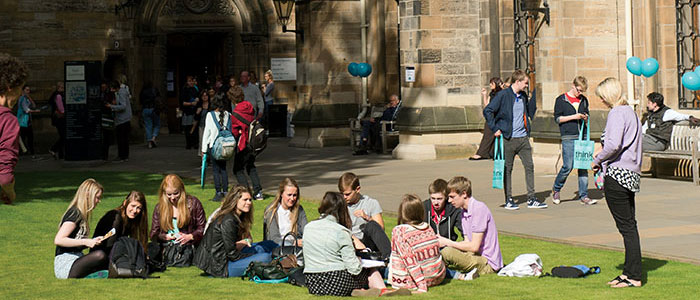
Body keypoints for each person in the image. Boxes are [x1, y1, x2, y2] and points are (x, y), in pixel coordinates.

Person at [592, 77, 643, 288]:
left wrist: (597, 159)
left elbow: (613, 145)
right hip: (630, 174)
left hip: (618, 174)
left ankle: (634, 276)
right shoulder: (630, 112)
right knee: (629, 226)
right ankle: (629, 272)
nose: (601, 101)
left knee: (627, 227)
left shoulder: (616, 113)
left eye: (602, 97)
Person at [303, 192, 396, 296]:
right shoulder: (341, 231)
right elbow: (354, 269)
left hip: (312, 283)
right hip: (336, 282)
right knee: (370, 269)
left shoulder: (308, 228)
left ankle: (360, 290)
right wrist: (360, 261)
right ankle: (382, 290)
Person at [483, 70, 544, 210]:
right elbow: (488, 111)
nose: (527, 86)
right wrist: (495, 128)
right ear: (518, 81)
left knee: (529, 167)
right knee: (507, 169)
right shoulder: (503, 95)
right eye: (525, 83)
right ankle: (509, 199)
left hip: (523, 138)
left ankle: (531, 198)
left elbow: (528, 111)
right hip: (508, 139)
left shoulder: (523, 96)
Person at [195, 185, 274, 277]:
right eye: (245, 200)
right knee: (265, 257)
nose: (249, 203)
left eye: (250, 200)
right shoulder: (228, 220)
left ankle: (286, 255)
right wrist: (252, 255)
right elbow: (233, 255)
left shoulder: (236, 217)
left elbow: (232, 246)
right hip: (220, 266)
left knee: (267, 244)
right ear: (235, 200)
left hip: (226, 258)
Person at [438, 176, 504, 280]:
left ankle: (444, 272)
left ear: (464, 194)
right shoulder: (464, 212)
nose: (449, 200)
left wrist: (447, 242)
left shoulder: (479, 209)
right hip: (475, 256)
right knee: (441, 251)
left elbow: (474, 247)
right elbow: (467, 242)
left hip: (488, 263)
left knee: (447, 252)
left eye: (452, 196)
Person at [552, 76, 595, 205]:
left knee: (583, 166)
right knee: (568, 166)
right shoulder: (561, 100)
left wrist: (585, 118)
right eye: (578, 90)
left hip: (582, 135)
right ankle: (556, 188)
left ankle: (584, 195)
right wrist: (574, 116)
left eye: (582, 91)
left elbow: (587, 115)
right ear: (573, 85)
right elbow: (558, 119)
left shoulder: (584, 100)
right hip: (568, 136)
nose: (580, 93)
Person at [389, 194, 445, 293]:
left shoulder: (399, 231)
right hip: (437, 277)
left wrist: (422, 286)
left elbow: (410, 260)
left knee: (377, 270)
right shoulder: (428, 227)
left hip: (412, 281)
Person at [53, 179, 105, 278]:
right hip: (66, 262)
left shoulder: (82, 215)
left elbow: (76, 242)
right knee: (100, 255)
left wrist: (92, 241)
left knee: (102, 256)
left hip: (77, 257)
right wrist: (86, 242)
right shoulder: (75, 213)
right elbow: (59, 240)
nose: (99, 201)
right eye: (97, 198)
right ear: (88, 195)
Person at [150, 174, 206, 260]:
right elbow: (153, 234)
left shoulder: (194, 204)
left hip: (189, 248)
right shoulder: (159, 208)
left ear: (182, 190)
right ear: (164, 193)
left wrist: (190, 236)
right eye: (169, 194)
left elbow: (203, 228)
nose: (172, 198)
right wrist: (164, 237)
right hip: (167, 249)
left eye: (176, 193)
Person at [338, 172, 391, 259]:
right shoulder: (339, 205)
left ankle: (389, 258)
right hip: (350, 242)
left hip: (367, 242)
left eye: (347, 194)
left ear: (357, 189)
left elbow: (380, 229)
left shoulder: (371, 203)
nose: (344, 197)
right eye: (341, 194)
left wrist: (367, 218)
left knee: (372, 225)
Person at [91, 191, 149, 269]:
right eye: (133, 206)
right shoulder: (116, 218)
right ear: (125, 203)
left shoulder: (131, 219)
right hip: (101, 255)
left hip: (114, 252)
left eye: (138, 208)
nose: (135, 210)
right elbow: (110, 245)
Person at [0, 53, 27, 205]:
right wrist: (10, 192)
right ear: (10, 87)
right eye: (20, 88)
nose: (20, 94)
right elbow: (5, 177)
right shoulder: (7, 120)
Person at [231, 98, 263, 200]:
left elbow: (235, 131)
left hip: (244, 144)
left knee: (238, 169)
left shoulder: (236, 113)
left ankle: (246, 192)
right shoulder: (249, 108)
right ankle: (258, 192)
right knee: (251, 166)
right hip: (254, 143)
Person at [201, 93, 231, 202]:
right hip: (226, 146)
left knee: (215, 170)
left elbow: (207, 133)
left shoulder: (210, 115)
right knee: (223, 169)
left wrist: (204, 150)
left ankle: (218, 192)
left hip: (214, 145)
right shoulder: (228, 114)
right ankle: (226, 191)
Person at [263, 177, 308, 246]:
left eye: (294, 195)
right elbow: (274, 239)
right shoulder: (271, 211)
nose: (292, 198)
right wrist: (293, 243)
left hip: (297, 248)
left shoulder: (299, 209)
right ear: (281, 194)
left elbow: (306, 231)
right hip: (277, 248)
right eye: (289, 195)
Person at [470, 77, 503, 160]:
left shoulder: (501, 94)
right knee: (488, 135)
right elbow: (487, 106)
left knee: (490, 136)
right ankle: (488, 153)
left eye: (492, 83)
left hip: (498, 117)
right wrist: (484, 95)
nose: (490, 85)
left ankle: (483, 153)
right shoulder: (492, 94)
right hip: (491, 117)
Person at [107, 76, 133, 162]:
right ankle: (124, 156)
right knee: (124, 139)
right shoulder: (121, 92)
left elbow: (123, 106)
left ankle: (122, 156)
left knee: (122, 139)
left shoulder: (121, 92)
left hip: (122, 119)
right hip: (124, 119)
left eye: (112, 88)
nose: (111, 90)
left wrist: (111, 106)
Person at [17, 85, 39, 158]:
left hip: (27, 121)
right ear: (23, 90)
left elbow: (34, 106)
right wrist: (35, 111)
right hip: (23, 121)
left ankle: (30, 153)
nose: (28, 91)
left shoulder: (27, 99)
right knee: (25, 138)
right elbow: (26, 110)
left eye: (29, 90)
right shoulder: (22, 99)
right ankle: (29, 153)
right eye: (27, 90)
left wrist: (30, 98)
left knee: (28, 137)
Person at [140, 80, 161, 149]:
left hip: (145, 109)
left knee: (148, 126)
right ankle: (153, 138)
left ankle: (149, 143)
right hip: (154, 109)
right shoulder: (154, 90)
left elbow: (140, 101)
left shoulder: (142, 91)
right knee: (157, 124)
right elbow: (159, 98)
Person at [180, 75, 200, 150]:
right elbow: (183, 102)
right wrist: (191, 104)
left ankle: (195, 143)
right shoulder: (184, 90)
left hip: (194, 111)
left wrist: (198, 100)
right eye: (189, 81)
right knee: (188, 128)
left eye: (192, 81)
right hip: (187, 111)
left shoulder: (195, 89)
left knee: (194, 128)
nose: (191, 82)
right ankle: (189, 143)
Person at [49, 81, 66, 159]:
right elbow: (61, 108)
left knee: (62, 135)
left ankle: (61, 154)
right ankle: (53, 149)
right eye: (62, 87)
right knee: (63, 136)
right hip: (60, 118)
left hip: (58, 118)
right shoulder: (58, 96)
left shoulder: (57, 95)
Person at [101, 81, 116, 161]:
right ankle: (102, 153)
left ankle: (104, 155)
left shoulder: (110, 93)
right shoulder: (101, 93)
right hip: (101, 115)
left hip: (107, 116)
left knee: (106, 136)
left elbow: (113, 103)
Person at [194, 89, 211, 155]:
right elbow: (196, 117)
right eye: (203, 96)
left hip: (209, 127)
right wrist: (197, 112)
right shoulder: (199, 105)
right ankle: (203, 158)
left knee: (209, 142)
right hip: (201, 126)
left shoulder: (211, 105)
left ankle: (209, 157)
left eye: (206, 95)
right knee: (202, 142)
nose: (205, 97)